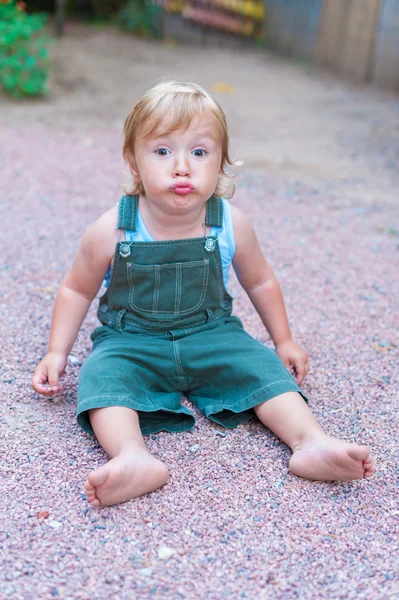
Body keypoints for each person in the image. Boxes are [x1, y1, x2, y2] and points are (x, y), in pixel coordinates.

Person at [32, 80, 374, 507]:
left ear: (221, 164)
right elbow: (75, 290)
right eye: (162, 151)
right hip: (132, 340)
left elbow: (261, 281)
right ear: (133, 162)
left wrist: (284, 340)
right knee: (102, 377)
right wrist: (57, 351)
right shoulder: (111, 229)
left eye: (199, 152)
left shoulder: (229, 223)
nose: (182, 167)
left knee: (262, 366)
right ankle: (131, 457)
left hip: (212, 333)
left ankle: (312, 442)